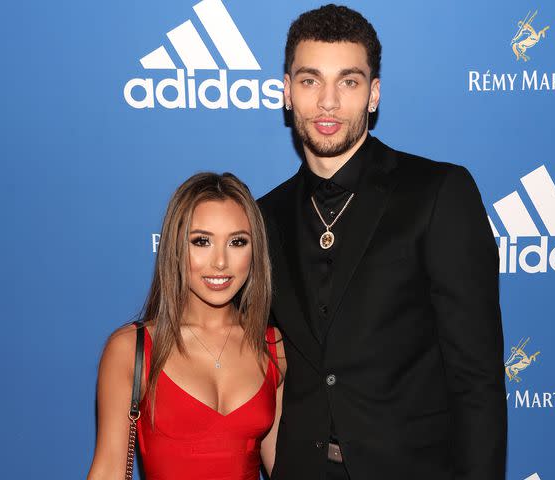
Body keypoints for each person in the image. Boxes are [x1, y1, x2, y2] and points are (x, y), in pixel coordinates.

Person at [258, 4, 506, 480]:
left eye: (348, 82)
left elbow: (477, 380)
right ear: (287, 93)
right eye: (310, 81)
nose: (328, 102)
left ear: (373, 95)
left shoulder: (437, 193)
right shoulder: (265, 216)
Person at [88, 172, 285, 480]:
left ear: (255, 250)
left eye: (237, 242)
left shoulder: (273, 347)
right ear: (176, 247)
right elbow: (108, 472)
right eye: (202, 241)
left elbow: (282, 467)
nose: (220, 262)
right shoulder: (131, 348)